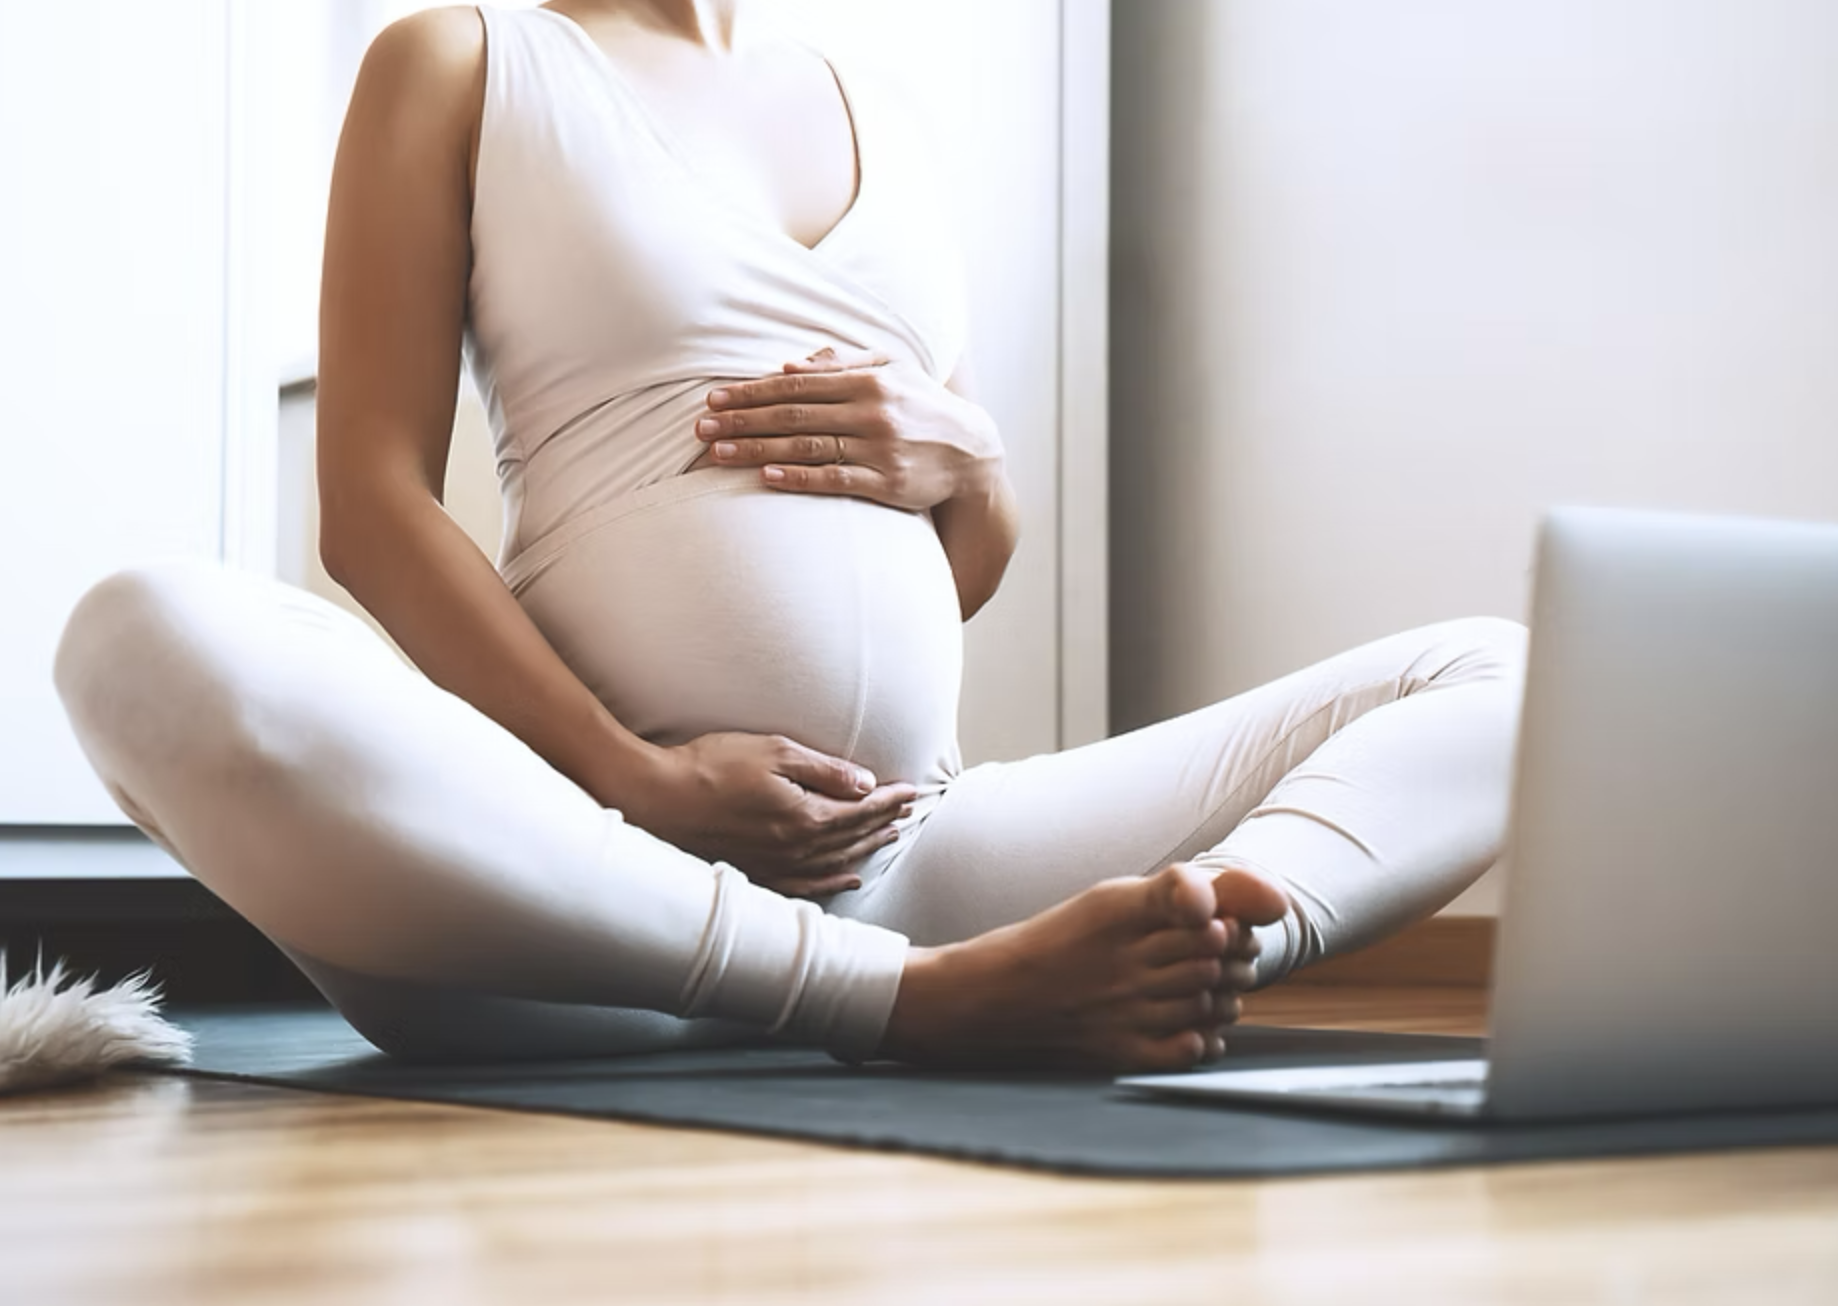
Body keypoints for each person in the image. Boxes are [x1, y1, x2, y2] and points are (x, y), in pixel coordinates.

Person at [54, 1, 1526, 1070]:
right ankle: (894, 1006)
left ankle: (1184, 954)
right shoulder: (460, 59)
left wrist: (977, 459)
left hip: (919, 861)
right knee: (137, 633)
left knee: (1507, 672)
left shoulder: (878, 113)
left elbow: (953, 557)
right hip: (575, 892)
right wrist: (632, 773)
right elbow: (371, 507)